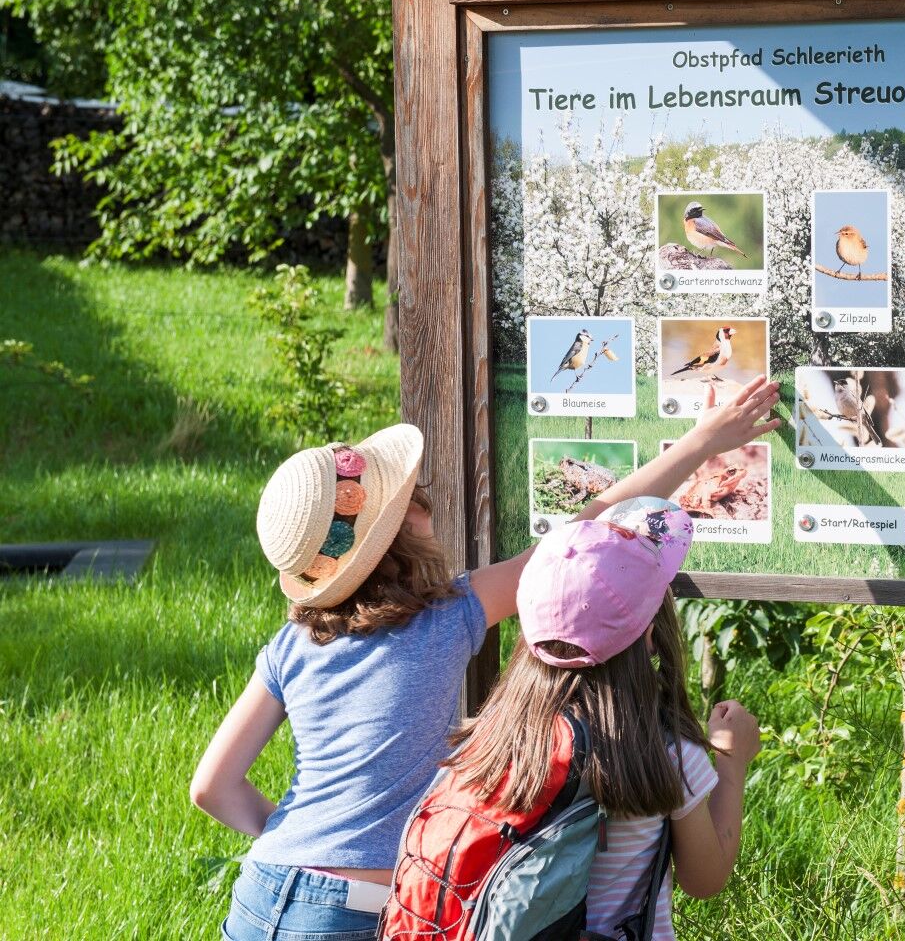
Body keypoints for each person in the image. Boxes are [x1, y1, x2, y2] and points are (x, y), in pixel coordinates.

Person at [189, 377, 780, 941]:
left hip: (259, 889)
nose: (428, 505)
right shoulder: (444, 619)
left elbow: (212, 788)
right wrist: (701, 442)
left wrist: (304, 853)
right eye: (415, 501)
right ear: (402, 533)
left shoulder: (291, 643)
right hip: (359, 912)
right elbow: (577, 540)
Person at [442, 494, 760, 941]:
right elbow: (704, 880)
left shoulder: (499, 738)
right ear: (651, 636)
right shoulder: (664, 751)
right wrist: (731, 760)